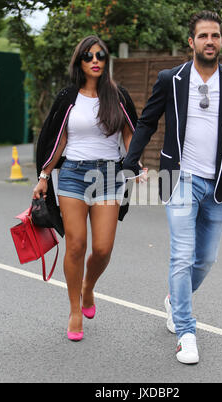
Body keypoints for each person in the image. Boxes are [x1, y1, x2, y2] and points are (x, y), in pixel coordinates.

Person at [123, 11, 222, 364]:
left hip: (219, 185)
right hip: (179, 178)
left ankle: (174, 300)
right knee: (182, 255)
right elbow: (147, 121)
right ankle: (186, 331)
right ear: (191, 42)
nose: (209, 41)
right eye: (203, 36)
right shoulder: (171, 79)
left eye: (215, 36)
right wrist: (130, 160)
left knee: (206, 259)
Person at [33, 35, 143, 342]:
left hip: (108, 176)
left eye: (100, 55)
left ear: (106, 61)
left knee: (103, 248)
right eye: (88, 56)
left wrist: (137, 166)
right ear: (79, 61)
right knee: (76, 244)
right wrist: (44, 175)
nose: (95, 60)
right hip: (72, 175)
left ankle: (88, 287)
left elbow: (130, 133)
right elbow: (58, 139)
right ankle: (74, 310)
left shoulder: (117, 95)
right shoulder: (69, 96)